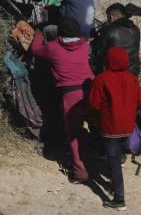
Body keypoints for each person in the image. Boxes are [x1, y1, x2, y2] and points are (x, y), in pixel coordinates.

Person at [30, 17, 94, 183]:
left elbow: (36, 50)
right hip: (91, 90)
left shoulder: (53, 48)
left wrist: (38, 35)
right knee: (92, 126)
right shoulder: (85, 46)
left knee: (73, 132)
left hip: (71, 94)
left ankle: (80, 172)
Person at [89, 47, 141, 211]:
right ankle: (114, 184)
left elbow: (94, 104)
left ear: (108, 61)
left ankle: (119, 199)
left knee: (113, 160)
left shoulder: (102, 79)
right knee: (117, 156)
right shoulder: (132, 78)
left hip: (110, 127)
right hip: (127, 126)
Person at [92, 3, 141, 76]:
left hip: (112, 74)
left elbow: (99, 52)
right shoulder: (136, 30)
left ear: (111, 17)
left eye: (108, 17)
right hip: (132, 73)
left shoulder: (109, 30)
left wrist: (96, 38)